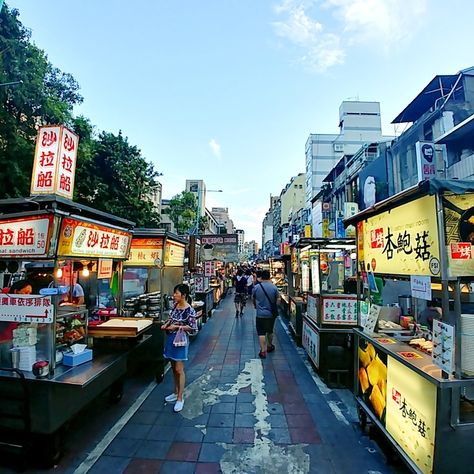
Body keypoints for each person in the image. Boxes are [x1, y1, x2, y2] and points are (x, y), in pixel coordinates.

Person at [161, 283, 198, 412]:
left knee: (179, 369)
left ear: (184, 295)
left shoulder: (189, 310)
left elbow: (193, 328)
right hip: (171, 339)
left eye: (176, 293)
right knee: (172, 367)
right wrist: (166, 324)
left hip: (181, 341)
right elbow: (171, 318)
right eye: (174, 293)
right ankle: (175, 392)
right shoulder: (175, 306)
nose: (174, 295)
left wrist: (176, 327)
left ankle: (180, 398)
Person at [0, 280, 33, 367]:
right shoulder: (5, 303)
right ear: (16, 291)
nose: (28, 295)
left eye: (30, 293)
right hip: (5, 343)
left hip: (15, 342)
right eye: (25, 292)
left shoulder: (21, 304)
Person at [253, 270, 280, 359]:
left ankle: (263, 351)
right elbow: (278, 300)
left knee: (261, 333)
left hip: (260, 314)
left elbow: (253, 298)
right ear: (269, 277)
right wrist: (275, 306)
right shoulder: (274, 287)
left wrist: (256, 306)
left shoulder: (256, 287)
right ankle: (269, 345)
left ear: (261, 277)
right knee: (270, 330)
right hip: (270, 314)